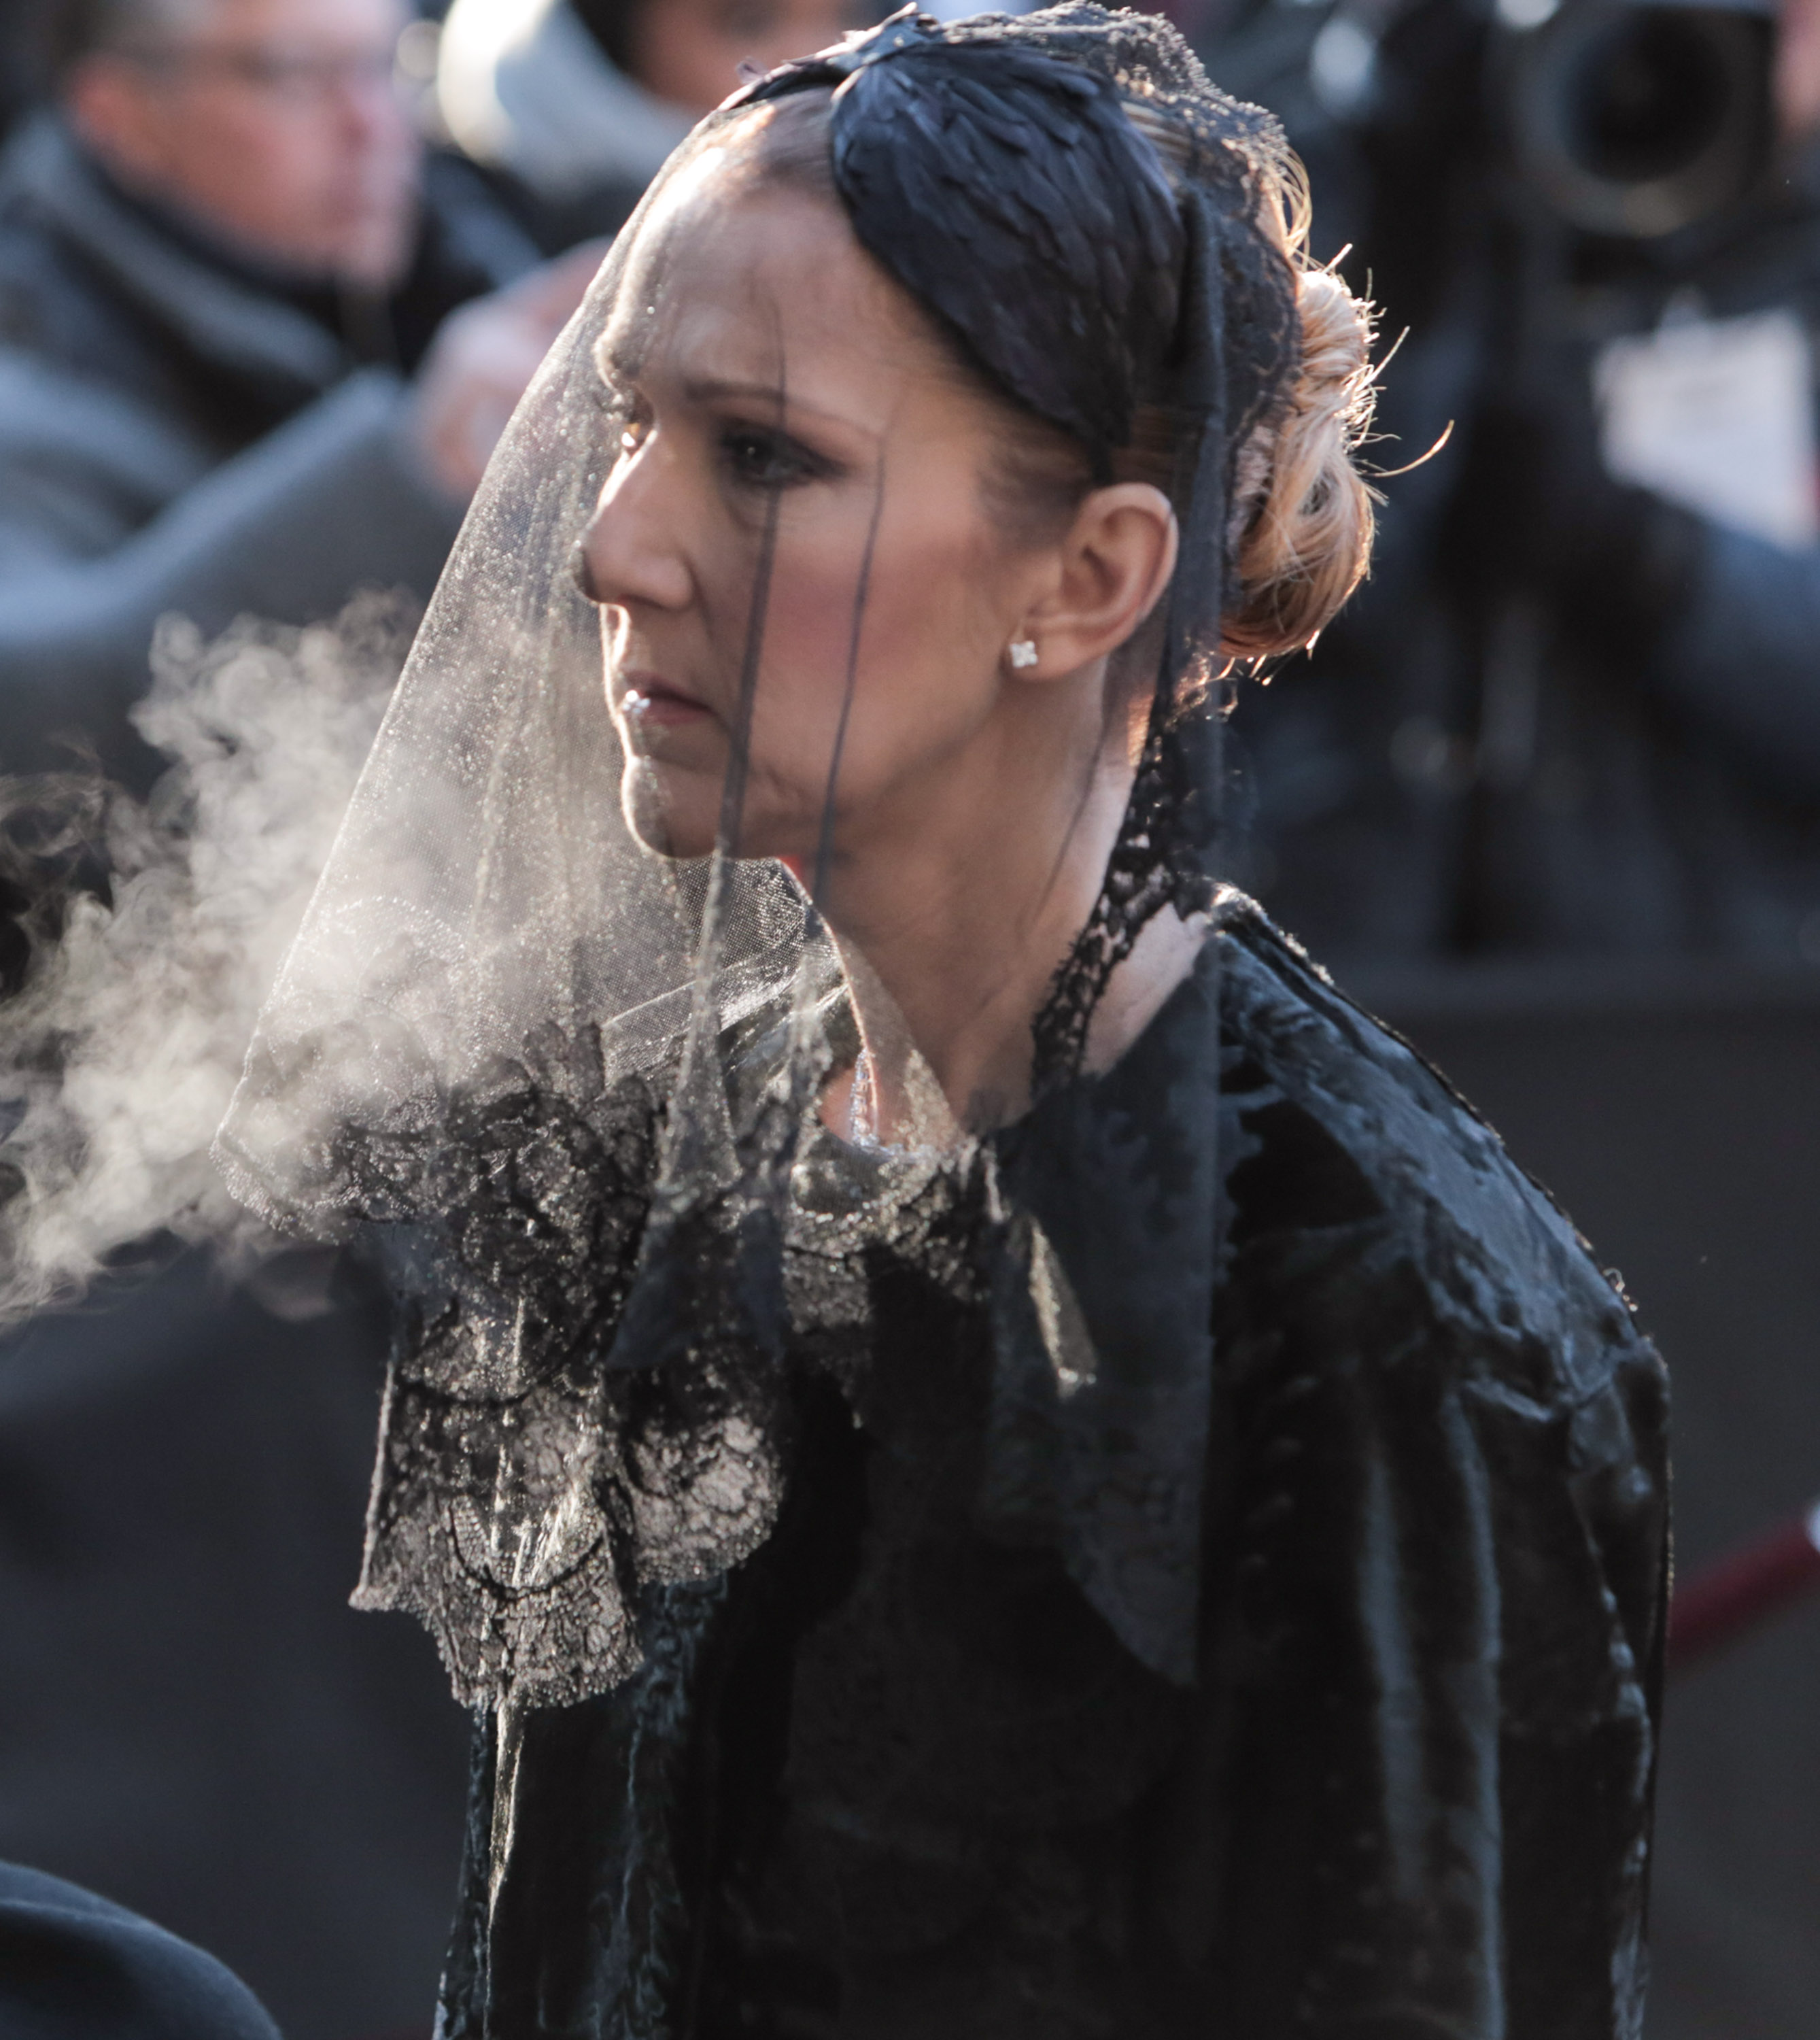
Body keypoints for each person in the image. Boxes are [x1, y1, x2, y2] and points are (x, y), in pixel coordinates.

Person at [214, 7, 1669, 2033]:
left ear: (1086, 578)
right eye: (626, 424)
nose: (618, 546)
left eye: (758, 458)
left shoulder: (1372, 1318)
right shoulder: (672, 1138)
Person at [1209, 0, 1820, 966]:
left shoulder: (1794, 264)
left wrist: (1648, 559)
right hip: (1366, 954)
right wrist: (1393, 188)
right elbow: (1238, 594)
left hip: (1715, 1001)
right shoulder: (1397, 167)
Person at [0, 0, 596, 781]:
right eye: (293, 77)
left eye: (387, 67)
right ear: (120, 114)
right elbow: (34, 741)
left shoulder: (482, 250)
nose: (372, 124)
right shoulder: (34, 368)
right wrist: (409, 471)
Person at [435, 0, 886, 246]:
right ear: (607, 45)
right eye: (751, 22)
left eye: (853, 17)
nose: (820, 58)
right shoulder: (465, 250)